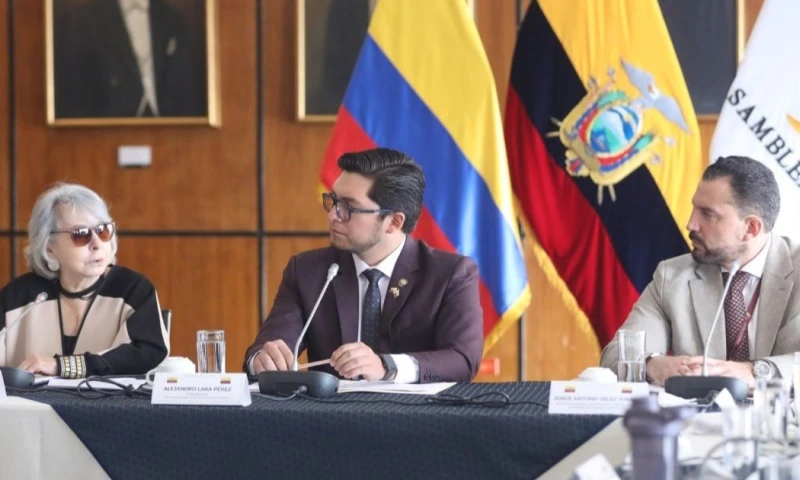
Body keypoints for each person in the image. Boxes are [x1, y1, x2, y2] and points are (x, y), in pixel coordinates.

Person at [244, 148, 484, 383]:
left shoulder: (451, 273)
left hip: (417, 419)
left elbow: (462, 360)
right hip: (329, 419)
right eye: (333, 201)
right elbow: (271, 345)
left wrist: (387, 367)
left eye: (348, 207)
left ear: (393, 222)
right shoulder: (307, 271)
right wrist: (261, 360)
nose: (333, 215)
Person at [600, 155, 800, 387]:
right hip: (695, 422)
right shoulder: (672, 276)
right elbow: (615, 355)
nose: (690, 224)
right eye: (694, 208)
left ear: (751, 228)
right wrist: (653, 365)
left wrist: (753, 372)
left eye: (708, 214)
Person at [0, 183, 169, 377]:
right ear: (49, 247)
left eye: (103, 231)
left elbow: (147, 353)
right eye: (81, 235)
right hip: (31, 408)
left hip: (111, 407)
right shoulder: (19, 297)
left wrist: (63, 366)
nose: (97, 244)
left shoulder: (132, 290)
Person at [54, 0, 206, 118]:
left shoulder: (174, 19)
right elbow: (74, 95)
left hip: (169, 130)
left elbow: (187, 89)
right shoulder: (82, 21)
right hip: (107, 129)